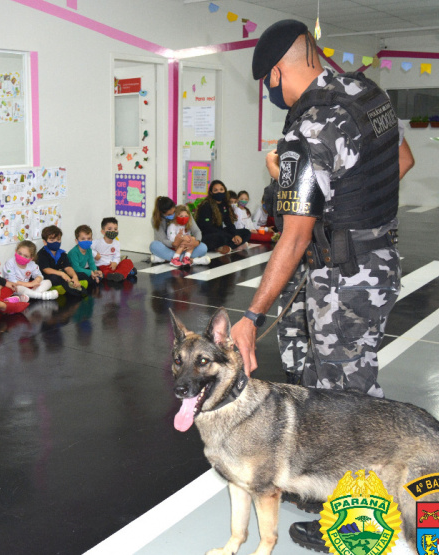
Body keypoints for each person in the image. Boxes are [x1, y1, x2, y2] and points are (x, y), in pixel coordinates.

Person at [232, 20, 402, 550]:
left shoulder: (307, 129)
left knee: (342, 409)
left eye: (271, 84)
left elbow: (294, 236)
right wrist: (343, 202)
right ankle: (357, 503)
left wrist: (252, 315)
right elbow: (401, 161)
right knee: (353, 393)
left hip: (343, 283)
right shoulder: (365, 92)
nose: (276, 94)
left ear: (278, 71)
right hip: (377, 265)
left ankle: (359, 527)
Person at [195, 180, 251, 254]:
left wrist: (235, 235)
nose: (219, 192)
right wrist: (230, 236)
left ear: (225, 190)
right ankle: (232, 245)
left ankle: (227, 247)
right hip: (208, 235)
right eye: (216, 190)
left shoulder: (224, 204)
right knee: (221, 237)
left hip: (221, 232)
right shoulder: (206, 205)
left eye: (221, 189)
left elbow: (229, 222)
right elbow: (207, 228)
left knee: (246, 232)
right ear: (211, 192)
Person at [150, 197, 208, 263]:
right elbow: (163, 240)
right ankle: (191, 260)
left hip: (185, 246)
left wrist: (196, 242)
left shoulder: (183, 212)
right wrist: (174, 244)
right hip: (169, 247)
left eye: (174, 212)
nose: (172, 215)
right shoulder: (155, 220)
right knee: (154, 245)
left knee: (203, 247)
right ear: (161, 213)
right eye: (169, 214)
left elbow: (196, 231)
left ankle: (167, 259)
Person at [36, 225, 87, 296]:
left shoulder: (62, 253)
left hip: (61, 275)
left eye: (58, 240)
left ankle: (72, 283)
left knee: (82, 274)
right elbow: (46, 269)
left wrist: (75, 277)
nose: (56, 242)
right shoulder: (42, 254)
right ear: (45, 242)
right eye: (52, 240)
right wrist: (62, 274)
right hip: (47, 277)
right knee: (56, 278)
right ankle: (75, 291)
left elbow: (68, 267)